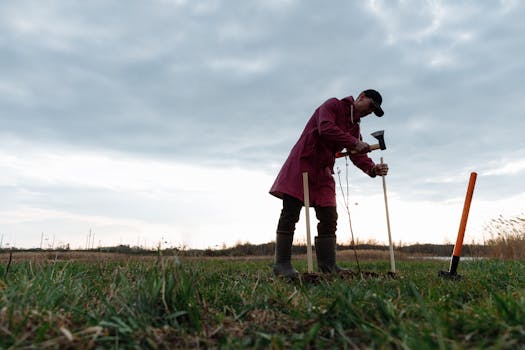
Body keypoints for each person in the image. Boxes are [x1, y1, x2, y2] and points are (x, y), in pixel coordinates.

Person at [269, 89, 389, 278]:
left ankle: (328, 266)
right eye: (371, 106)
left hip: (324, 170)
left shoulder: (355, 127)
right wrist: (353, 142)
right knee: (290, 212)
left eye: (374, 111)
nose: (370, 112)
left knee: (329, 216)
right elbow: (326, 128)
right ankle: (282, 265)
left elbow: (358, 155)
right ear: (362, 97)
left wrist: (372, 169)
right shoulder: (333, 105)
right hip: (304, 162)